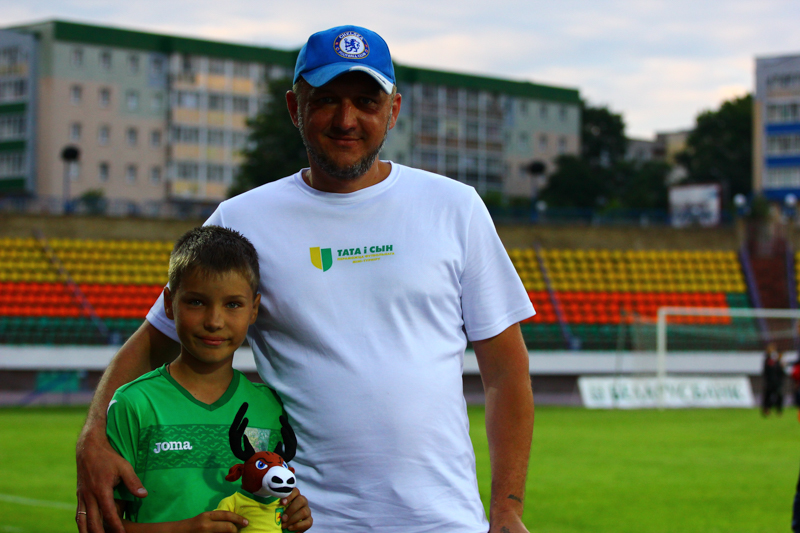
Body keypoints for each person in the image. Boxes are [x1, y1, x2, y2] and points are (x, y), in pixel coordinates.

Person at [76, 24, 535, 533]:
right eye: (326, 100)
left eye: (366, 101)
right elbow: (153, 341)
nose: (346, 119)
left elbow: (506, 372)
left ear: (393, 110)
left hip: (444, 521)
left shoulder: (455, 207)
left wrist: (507, 508)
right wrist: (94, 434)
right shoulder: (242, 219)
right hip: (303, 521)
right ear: (295, 108)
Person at [105, 226, 312, 532]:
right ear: (168, 303)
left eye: (233, 304)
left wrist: (294, 513)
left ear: (254, 309)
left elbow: (271, 503)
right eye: (197, 302)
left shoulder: (271, 406)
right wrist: (184, 530)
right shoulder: (134, 404)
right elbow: (101, 525)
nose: (214, 321)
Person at [761, 342, 785, 416]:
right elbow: (765, 371)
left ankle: (779, 410)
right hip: (769, 382)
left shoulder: (777, 360)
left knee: (779, 395)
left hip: (777, 382)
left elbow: (780, 371)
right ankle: (766, 409)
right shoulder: (767, 360)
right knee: (768, 396)